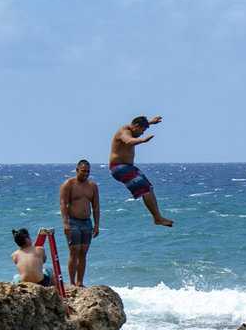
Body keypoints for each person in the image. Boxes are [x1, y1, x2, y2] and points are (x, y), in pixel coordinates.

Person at [109, 114, 173, 227]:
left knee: (149, 187)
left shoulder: (134, 128)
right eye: (142, 131)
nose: (142, 133)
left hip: (128, 167)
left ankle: (158, 217)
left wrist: (151, 122)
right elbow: (128, 141)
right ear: (136, 126)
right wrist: (142, 140)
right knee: (145, 189)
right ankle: (157, 218)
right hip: (118, 167)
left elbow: (139, 127)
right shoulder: (124, 132)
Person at [59, 159, 101, 287]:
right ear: (77, 170)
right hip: (73, 221)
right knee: (74, 251)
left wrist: (97, 225)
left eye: (88, 172)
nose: (85, 174)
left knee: (83, 252)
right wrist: (65, 223)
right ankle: (72, 282)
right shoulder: (69, 184)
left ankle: (80, 282)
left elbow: (96, 206)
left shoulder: (92, 186)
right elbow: (63, 204)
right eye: (83, 171)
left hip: (87, 222)